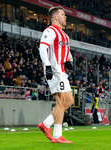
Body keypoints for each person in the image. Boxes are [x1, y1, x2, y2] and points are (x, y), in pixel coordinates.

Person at [38, 6, 74, 143]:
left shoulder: (65, 35)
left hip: (62, 71)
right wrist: (47, 65)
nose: (65, 17)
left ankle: (46, 124)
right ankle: (57, 135)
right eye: (62, 14)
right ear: (55, 17)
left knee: (69, 101)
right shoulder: (50, 30)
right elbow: (43, 47)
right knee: (61, 102)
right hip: (54, 70)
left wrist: (70, 60)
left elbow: (67, 51)